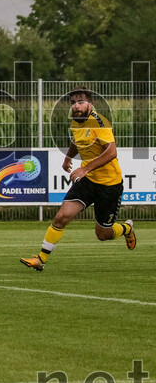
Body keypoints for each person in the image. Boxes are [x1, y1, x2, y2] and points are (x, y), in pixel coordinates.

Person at [21, 87, 136, 271]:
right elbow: (76, 141)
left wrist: (85, 168)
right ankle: (40, 259)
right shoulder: (76, 122)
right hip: (88, 181)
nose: (76, 106)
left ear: (91, 104)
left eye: (81, 101)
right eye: (73, 102)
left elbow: (111, 152)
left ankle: (126, 229)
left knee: (103, 234)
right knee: (61, 216)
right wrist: (68, 158)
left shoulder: (99, 123)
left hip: (109, 185)